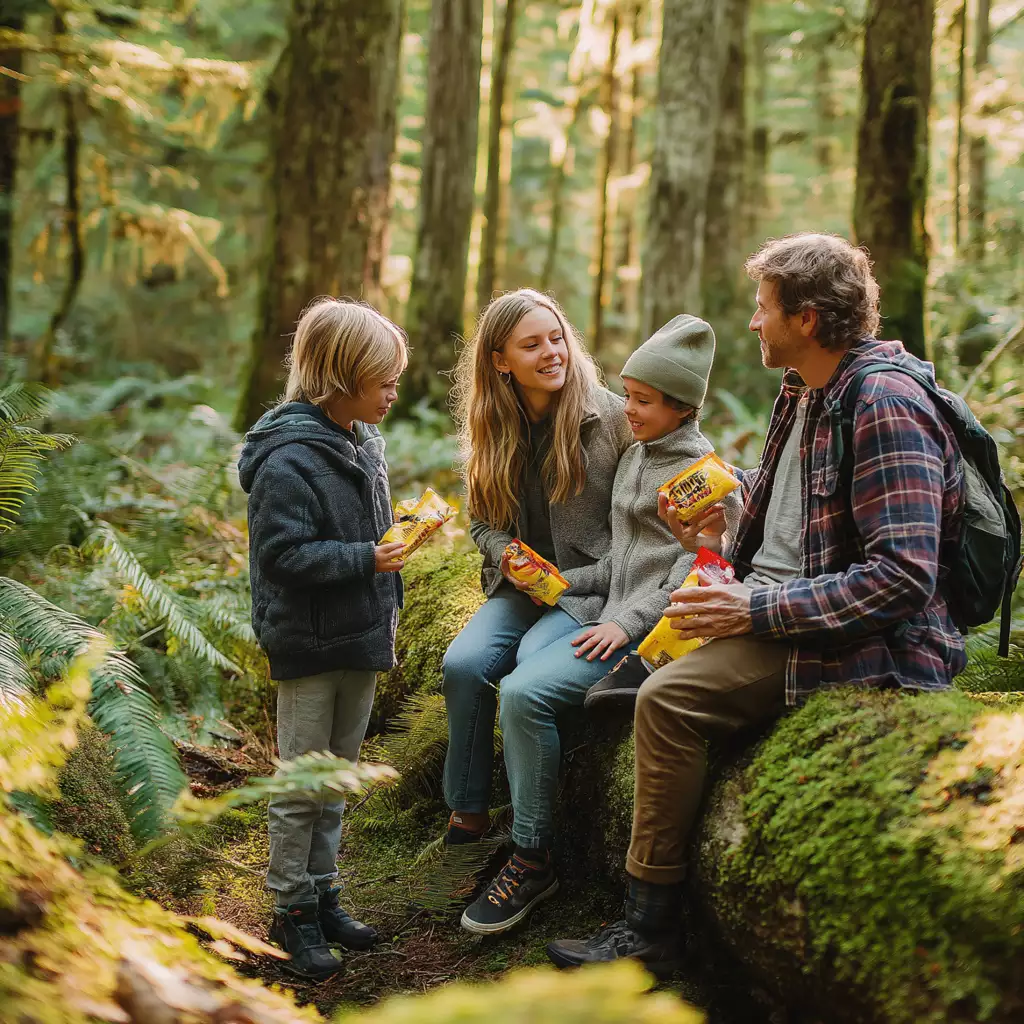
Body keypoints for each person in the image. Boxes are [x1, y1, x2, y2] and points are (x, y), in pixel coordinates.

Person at [546, 232, 967, 973]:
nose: (752, 322)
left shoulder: (885, 402)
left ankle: (650, 930)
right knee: (645, 651)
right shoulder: (806, 389)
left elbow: (903, 577)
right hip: (772, 598)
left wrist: (752, 613)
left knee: (667, 703)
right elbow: (796, 516)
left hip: (861, 639)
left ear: (806, 318)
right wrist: (719, 526)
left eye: (762, 308)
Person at [457, 312, 743, 936]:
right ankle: (515, 816)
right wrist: (564, 584)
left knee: (524, 691)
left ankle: (532, 855)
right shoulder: (638, 455)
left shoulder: (701, 476)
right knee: (523, 658)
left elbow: (703, 570)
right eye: (630, 396)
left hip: (654, 633)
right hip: (608, 609)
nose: (626, 409)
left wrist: (627, 624)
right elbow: (619, 561)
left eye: (641, 401)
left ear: (683, 406)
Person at [440, 288, 632, 932]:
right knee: (464, 663)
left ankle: (534, 849)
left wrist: (564, 579)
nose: (551, 352)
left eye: (556, 337)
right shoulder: (491, 424)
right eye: (532, 344)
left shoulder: (609, 419)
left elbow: (635, 539)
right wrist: (509, 556)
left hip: (589, 591)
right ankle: (468, 808)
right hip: (517, 590)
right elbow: (481, 523)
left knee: (525, 671)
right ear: (500, 361)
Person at [237, 298, 408, 980]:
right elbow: (283, 556)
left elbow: (372, 532)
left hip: (363, 632)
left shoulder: (364, 442)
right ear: (342, 378)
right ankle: (290, 909)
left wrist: (395, 545)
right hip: (308, 643)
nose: (395, 391)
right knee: (302, 782)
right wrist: (367, 557)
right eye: (385, 380)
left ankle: (325, 892)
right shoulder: (286, 460)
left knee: (335, 778)